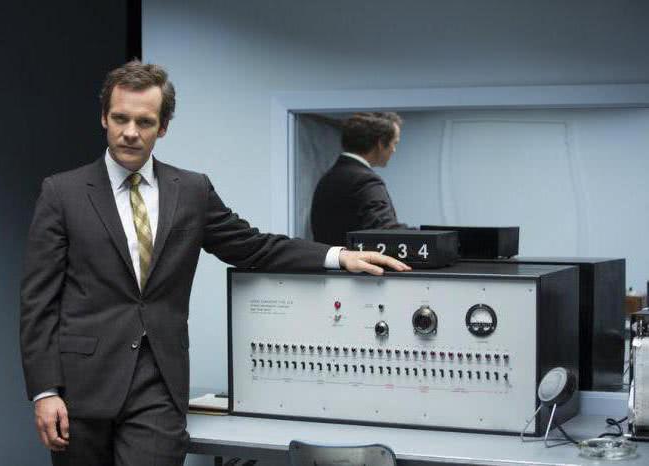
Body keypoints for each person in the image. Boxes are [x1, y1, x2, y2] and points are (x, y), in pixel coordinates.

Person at [20, 61, 409, 466]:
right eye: (120, 118)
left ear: (163, 127)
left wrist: (337, 256)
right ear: (104, 118)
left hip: (158, 385)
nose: (130, 132)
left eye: (145, 121)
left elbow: (252, 246)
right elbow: (38, 301)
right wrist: (45, 391)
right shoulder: (62, 193)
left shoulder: (191, 191)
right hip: (81, 387)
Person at [310, 112, 410, 246]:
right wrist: (433, 236)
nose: (394, 150)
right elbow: (385, 231)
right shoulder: (365, 180)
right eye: (394, 143)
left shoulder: (329, 177)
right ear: (381, 143)